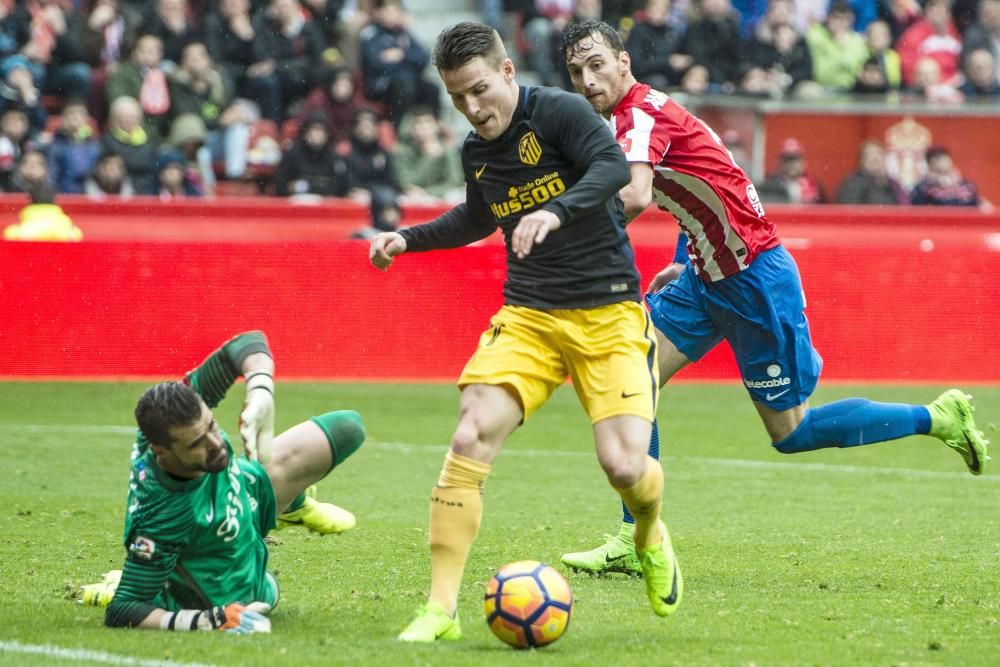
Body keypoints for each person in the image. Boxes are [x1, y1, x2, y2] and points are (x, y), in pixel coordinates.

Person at [558, 19, 989, 576]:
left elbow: (638, 194)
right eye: (576, 71)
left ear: (624, 62)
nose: (588, 79)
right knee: (631, 378)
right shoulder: (644, 114)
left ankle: (937, 417)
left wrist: (562, 229)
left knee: (792, 434)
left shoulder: (637, 116)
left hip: (754, 282)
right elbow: (713, 186)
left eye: (597, 64)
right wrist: (683, 259)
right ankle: (637, 540)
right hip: (706, 277)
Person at [368, 21, 682, 642]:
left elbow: (614, 169)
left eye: (480, 89)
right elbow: (477, 217)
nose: (472, 107)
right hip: (529, 316)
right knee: (469, 434)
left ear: (508, 71)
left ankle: (649, 532)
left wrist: (554, 209)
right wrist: (409, 239)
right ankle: (440, 609)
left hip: (610, 314)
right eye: (457, 97)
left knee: (625, 467)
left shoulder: (560, 112)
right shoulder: (476, 151)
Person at [79, 331, 365, 633]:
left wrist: (260, 390)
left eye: (212, 426)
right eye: (197, 443)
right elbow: (123, 609)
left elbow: (247, 344)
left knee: (347, 428)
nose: (216, 444)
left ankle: (289, 507)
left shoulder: (180, 406)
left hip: (247, 489)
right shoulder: (162, 515)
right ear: (162, 452)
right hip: (220, 561)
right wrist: (205, 620)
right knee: (264, 594)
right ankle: (151, 587)